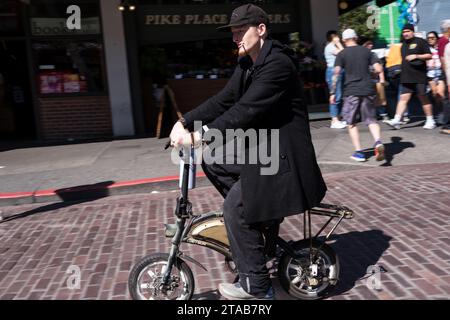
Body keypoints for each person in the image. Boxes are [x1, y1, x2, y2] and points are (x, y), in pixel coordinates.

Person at [169, 4, 327, 300]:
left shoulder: (278, 64)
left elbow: (245, 111)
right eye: (233, 32)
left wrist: (200, 135)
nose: (235, 38)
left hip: (284, 159)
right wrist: (184, 120)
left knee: (236, 209)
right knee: (213, 159)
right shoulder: (248, 63)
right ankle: (261, 223)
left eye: (241, 30)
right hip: (265, 150)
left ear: (261, 29)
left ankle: (258, 288)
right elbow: (224, 100)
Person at [330, 29, 385, 162]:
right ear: (356, 37)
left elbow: (336, 74)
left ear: (344, 40)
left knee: (351, 123)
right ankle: (378, 142)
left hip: (351, 91)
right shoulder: (368, 51)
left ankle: (359, 152)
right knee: (371, 120)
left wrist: (332, 92)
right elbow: (378, 69)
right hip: (368, 89)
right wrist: (371, 75)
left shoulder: (341, 54)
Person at [386, 24, 435, 130]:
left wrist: (417, 56)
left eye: (407, 31)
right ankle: (396, 119)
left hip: (419, 76)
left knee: (423, 97)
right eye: (404, 32)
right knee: (403, 98)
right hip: (407, 76)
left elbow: (429, 55)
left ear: (413, 32)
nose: (405, 34)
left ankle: (430, 120)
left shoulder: (420, 41)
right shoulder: (403, 45)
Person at [361, 38, 389, 122]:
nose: (371, 45)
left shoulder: (373, 54)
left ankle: (383, 114)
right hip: (366, 80)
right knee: (368, 99)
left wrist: (382, 79)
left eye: (371, 44)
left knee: (381, 97)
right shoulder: (361, 55)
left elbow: (380, 67)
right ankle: (371, 115)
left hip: (375, 79)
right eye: (368, 44)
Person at [324, 30, 347, 129]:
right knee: (335, 96)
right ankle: (334, 120)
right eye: (336, 37)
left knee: (339, 95)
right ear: (332, 38)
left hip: (338, 71)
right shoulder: (330, 47)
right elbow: (343, 53)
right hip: (333, 72)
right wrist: (338, 43)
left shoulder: (332, 46)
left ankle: (338, 118)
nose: (338, 38)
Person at [426, 31, 446, 124]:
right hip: (430, 75)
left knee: (440, 93)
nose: (430, 40)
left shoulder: (440, 48)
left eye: (432, 38)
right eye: (428, 38)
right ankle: (438, 111)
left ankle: (442, 114)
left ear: (436, 38)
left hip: (440, 73)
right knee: (435, 94)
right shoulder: (426, 49)